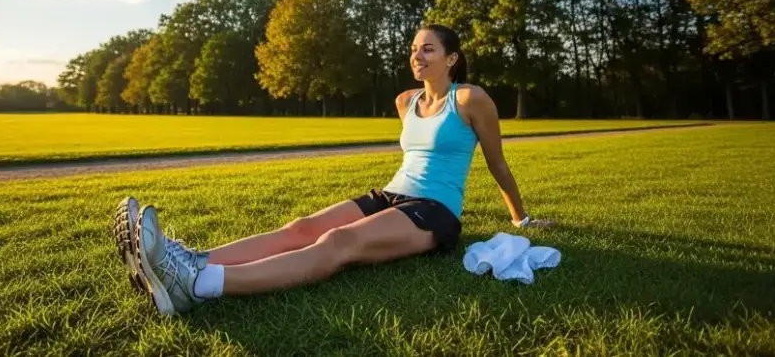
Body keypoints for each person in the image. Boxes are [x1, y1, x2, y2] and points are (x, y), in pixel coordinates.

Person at [113, 24, 556, 315]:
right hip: (391, 194)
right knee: (301, 227)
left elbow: (497, 162)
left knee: (339, 242)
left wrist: (520, 218)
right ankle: (184, 260)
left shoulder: (470, 99)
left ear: (452, 58)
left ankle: (200, 284)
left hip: (435, 210)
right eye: (414, 49)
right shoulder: (407, 102)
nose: (418, 56)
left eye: (429, 49)